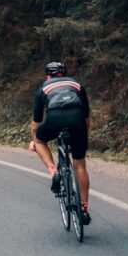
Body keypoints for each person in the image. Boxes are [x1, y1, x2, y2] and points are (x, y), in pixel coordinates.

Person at [28, 61, 92, 225]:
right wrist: (83, 134)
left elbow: (36, 123)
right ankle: (84, 208)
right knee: (80, 165)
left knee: (39, 139)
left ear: (47, 76)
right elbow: (86, 118)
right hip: (77, 120)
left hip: (54, 118)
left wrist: (33, 140)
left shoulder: (43, 88)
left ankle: (54, 171)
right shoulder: (77, 85)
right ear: (65, 73)